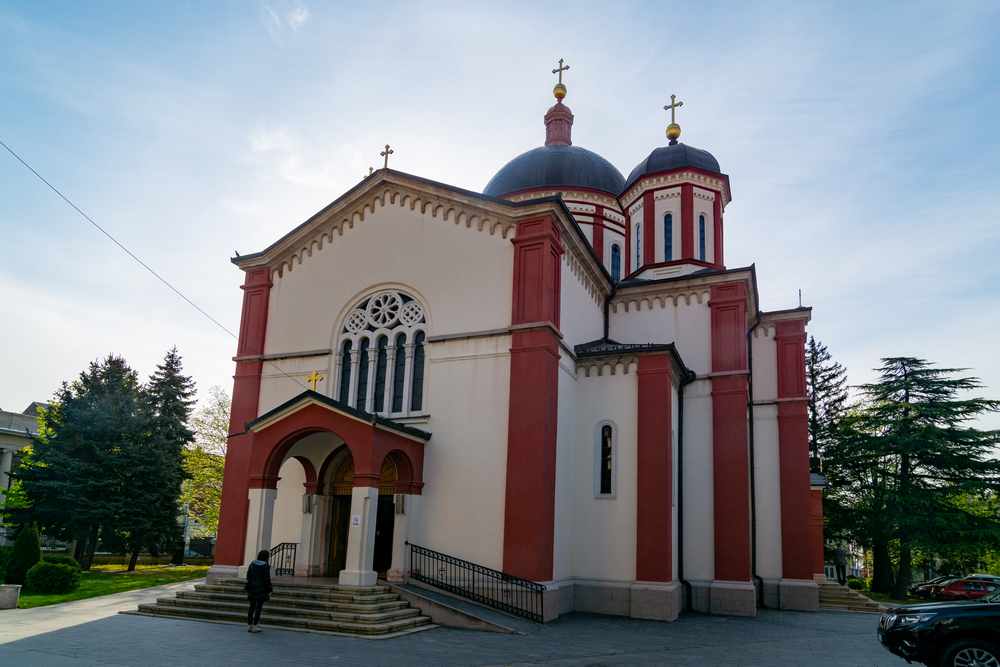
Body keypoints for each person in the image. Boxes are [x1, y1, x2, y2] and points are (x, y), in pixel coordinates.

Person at [244, 549, 273, 633]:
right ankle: (255, 625)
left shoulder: (252, 565)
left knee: (251, 607)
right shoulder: (265, 567)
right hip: (261, 589)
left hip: (252, 588)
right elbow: (267, 580)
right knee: (258, 608)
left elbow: (248, 576)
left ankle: (249, 625)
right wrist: (270, 590)